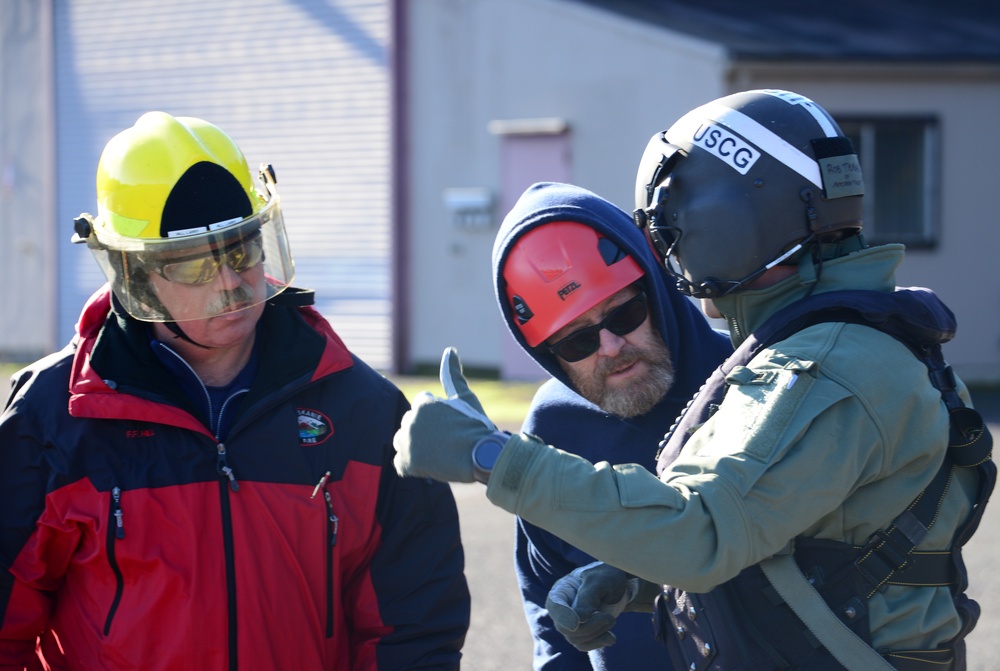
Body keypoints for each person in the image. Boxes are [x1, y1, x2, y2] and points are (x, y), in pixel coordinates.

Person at [393, 89, 994, 670]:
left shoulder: (823, 366)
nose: (673, 253)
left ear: (725, 225)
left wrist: (489, 456)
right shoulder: (842, 343)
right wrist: (640, 582)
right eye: (576, 340)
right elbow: (800, 542)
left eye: (672, 232)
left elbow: (701, 530)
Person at [0, 112, 470, 670]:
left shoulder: (363, 411)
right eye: (196, 265)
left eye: (241, 249)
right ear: (135, 275)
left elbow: (413, 628)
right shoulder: (54, 418)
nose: (230, 282)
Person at [492, 181, 731, 669]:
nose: (609, 347)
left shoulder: (751, 381)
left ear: (657, 290)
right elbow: (549, 618)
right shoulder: (554, 428)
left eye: (624, 313)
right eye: (576, 342)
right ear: (547, 355)